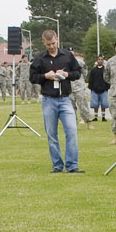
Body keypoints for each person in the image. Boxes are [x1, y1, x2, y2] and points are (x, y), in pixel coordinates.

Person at [29, 28, 83, 173]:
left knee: (71, 130)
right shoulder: (39, 59)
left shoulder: (67, 55)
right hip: (48, 100)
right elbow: (32, 77)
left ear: (57, 39)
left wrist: (67, 74)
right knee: (52, 134)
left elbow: (78, 73)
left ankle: (72, 165)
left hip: (65, 99)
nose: (51, 46)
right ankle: (57, 165)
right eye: (48, 45)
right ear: (43, 43)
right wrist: (45, 76)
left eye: (53, 43)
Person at [87, 56, 111, 122]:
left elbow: (107, 79)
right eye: (99, 59)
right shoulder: (93, 70)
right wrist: (91, 88)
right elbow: (90, 79)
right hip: (94, 90)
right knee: (95, 104)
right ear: (97, 61)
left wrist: (107, 87)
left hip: (104, 89)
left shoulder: (105, 70)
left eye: (101, 60)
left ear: (103, 61)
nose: (100, 61)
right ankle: (95, 117)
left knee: (104, 104)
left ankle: (103, 117)